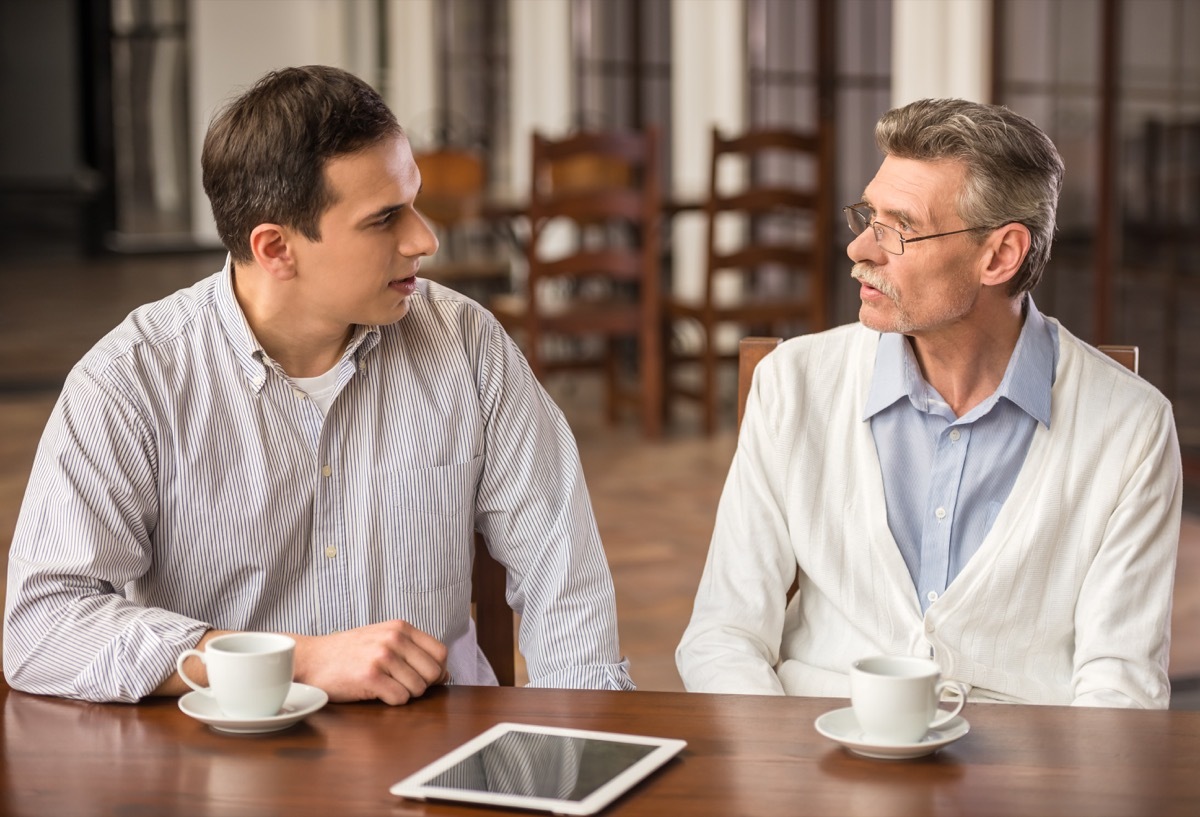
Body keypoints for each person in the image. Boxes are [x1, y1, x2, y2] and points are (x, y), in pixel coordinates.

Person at [4, 65, 633, 704]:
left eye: (413, 201)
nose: (425, 238)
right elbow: (42, 630)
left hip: (435, 748)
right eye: (385, 218)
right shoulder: (132, 381)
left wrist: (577, 757)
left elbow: (568, 589)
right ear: (276, 248)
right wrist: (293, 663)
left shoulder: (467, 345)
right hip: (218, 768)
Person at [676, 98, 1182, 708]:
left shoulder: (1132, 428)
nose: (861, 247)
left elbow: (1120, 690)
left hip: (1022, 781)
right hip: (813, 754)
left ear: (1000, 255)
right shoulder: (794, 384)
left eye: (901, 228)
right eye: (868, 216)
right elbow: (723, 637)